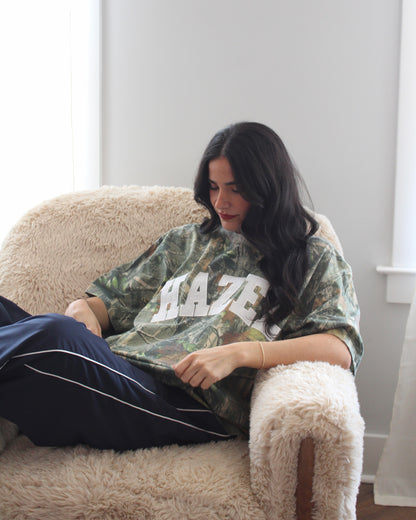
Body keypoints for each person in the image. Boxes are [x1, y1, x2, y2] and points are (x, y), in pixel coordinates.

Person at [0, 122, 363, 451]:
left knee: (54, 336)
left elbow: (339, 346)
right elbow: (103, 303)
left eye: (236, 189)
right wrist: (83, 313)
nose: (220, 202)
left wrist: (240, 354)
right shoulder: (185, 242)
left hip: (187, 402)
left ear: (269, 187)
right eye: (213, 187)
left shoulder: (313, 258)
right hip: (122, 369)